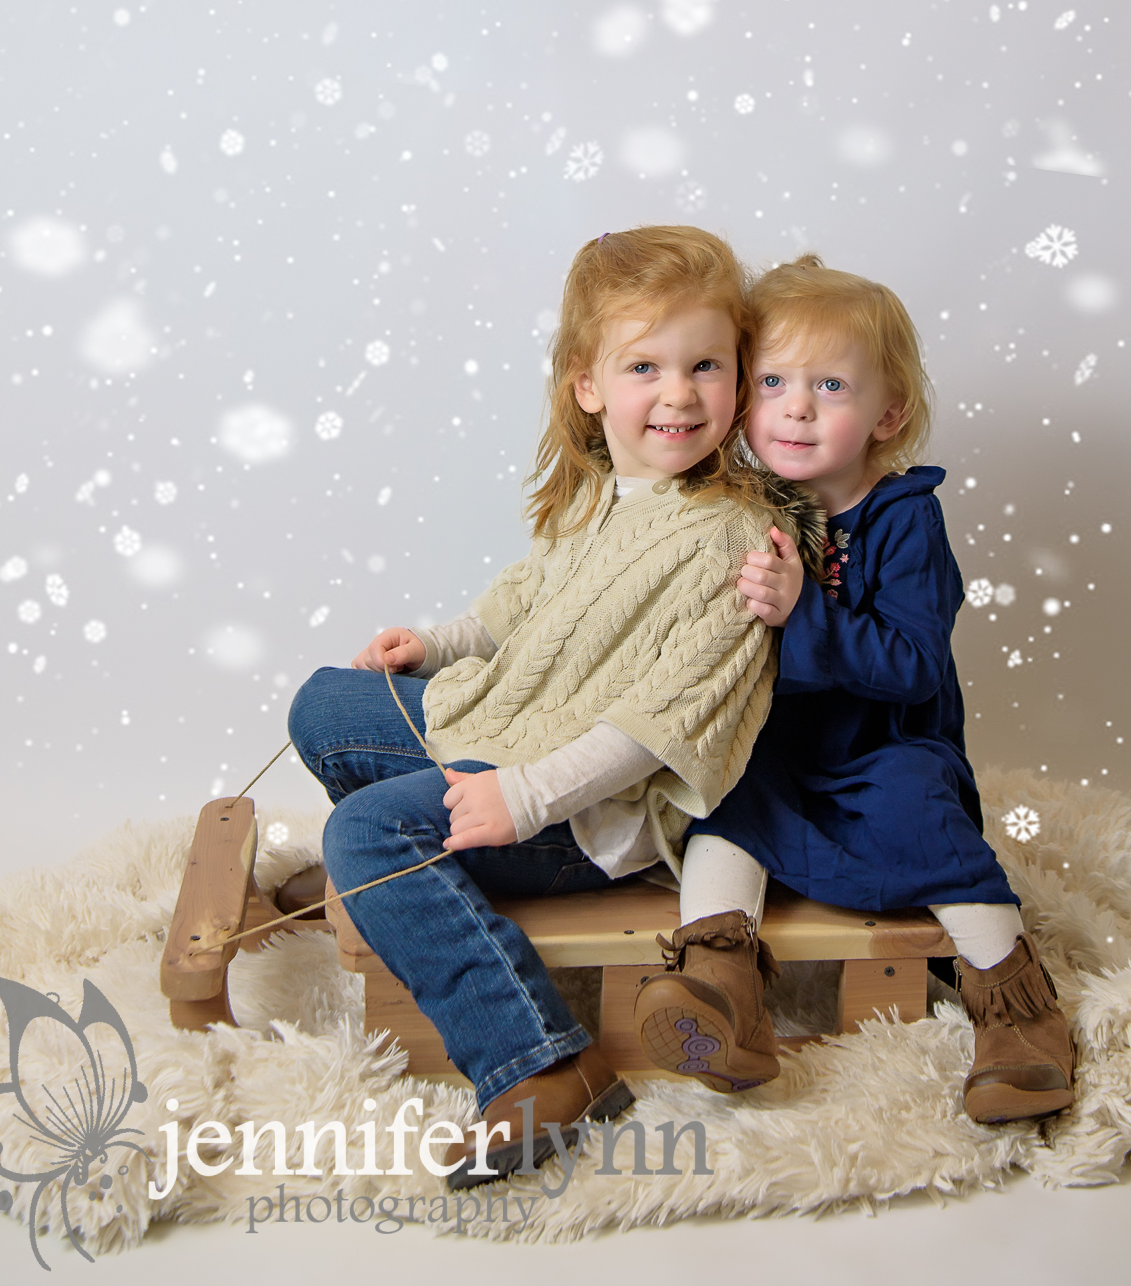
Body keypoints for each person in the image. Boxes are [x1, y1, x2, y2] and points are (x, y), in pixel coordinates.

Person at [287, 226, 807, 1186]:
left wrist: (521, 801)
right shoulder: (599, 494)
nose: (680, 393)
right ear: (588, 384)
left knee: (364, 833)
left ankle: (538, 1063)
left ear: (740, 378)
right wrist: (435, 646)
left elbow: (661, 727)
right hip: (511, 727)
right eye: (645, 365)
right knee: (325, 703)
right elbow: (521, 605)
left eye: (706, 365)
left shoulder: (736, 541)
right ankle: (416, 883)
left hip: (584, 807)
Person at [634, 256, 1075, 1124]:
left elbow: (912, 664)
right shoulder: (733, 506)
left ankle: (1013, 1004)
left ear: (888, 414)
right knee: (724, 791)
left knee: (918, 802)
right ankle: (716, 980)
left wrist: (806, 612)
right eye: (773, 382)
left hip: (881, 747)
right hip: (773, 747)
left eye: (830, 385)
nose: (796, 406)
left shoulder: (904, 516)